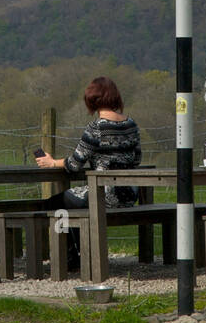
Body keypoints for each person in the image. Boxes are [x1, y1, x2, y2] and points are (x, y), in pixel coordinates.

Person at [35, 76, 141, 272]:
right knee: (72, 206)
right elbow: (136, 160)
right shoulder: (131, 124)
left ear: (92, 100)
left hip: (104, 195)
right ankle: (75, 256)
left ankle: (70, 258)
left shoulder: (96, 128)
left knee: (54, 203)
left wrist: (51, 162)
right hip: (129, 195)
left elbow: (75, 164)